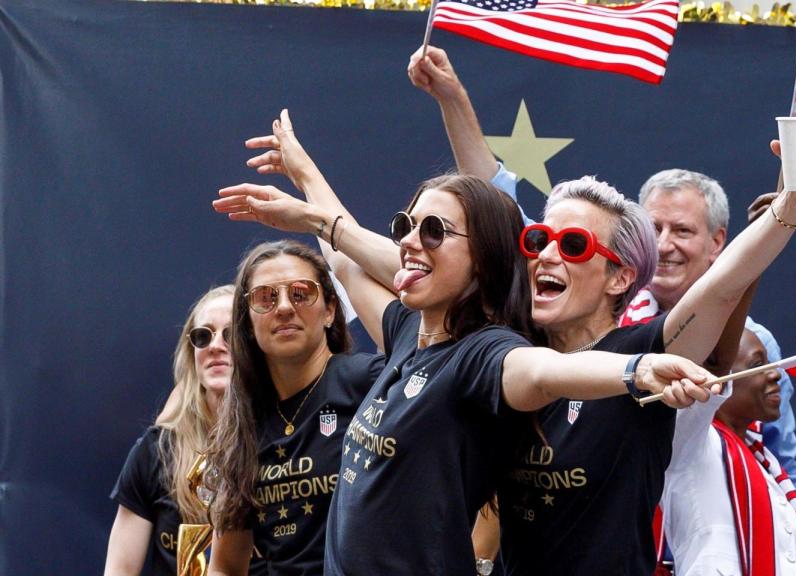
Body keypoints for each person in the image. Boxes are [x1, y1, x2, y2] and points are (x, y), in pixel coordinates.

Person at [404, 46, 796, 572]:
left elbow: (724, 288)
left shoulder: (646, 351)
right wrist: (325, 221)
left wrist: (791, 206)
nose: (545, 253)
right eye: (539, 239)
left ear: (620, 277)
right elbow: (491, 204)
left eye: (572, 246)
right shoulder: (512, 341)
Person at [214, 149, 717, 574]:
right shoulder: (409, 330)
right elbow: (346, 259)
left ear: (482, 256)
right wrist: (304, 176)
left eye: (433, 231)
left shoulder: (482, 352)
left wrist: (636, 370)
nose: (409, 240)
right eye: (406, 226)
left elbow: (542, 372)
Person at [624, 172, 796, 552]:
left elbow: (778, 458)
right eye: (653, 228)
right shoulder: (609, 324)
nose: (664, 244)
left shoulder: (755, 344)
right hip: (629, 546)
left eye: (682, 231)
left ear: (717, 242)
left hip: (718, 546)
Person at [206, 240, 385, 576]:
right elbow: (226, 566)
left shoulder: (370, 383)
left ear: (330, 310)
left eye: (301, 293)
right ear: (247, 322)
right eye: (266, 298)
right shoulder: (244, 419)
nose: (285, 307)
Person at [661, 328, 796, 576]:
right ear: (719, 377)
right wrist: (742, 287)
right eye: (758, 364)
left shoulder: (767, 467)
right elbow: (716, 361)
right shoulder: (692, 443)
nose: (775, 374)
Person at [105, 285, 234, 576]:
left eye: (231, 334)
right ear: (192, 354)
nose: (215, 346)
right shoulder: (156, 449)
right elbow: (119, 570)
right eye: (203, 336)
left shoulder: (282, 440)